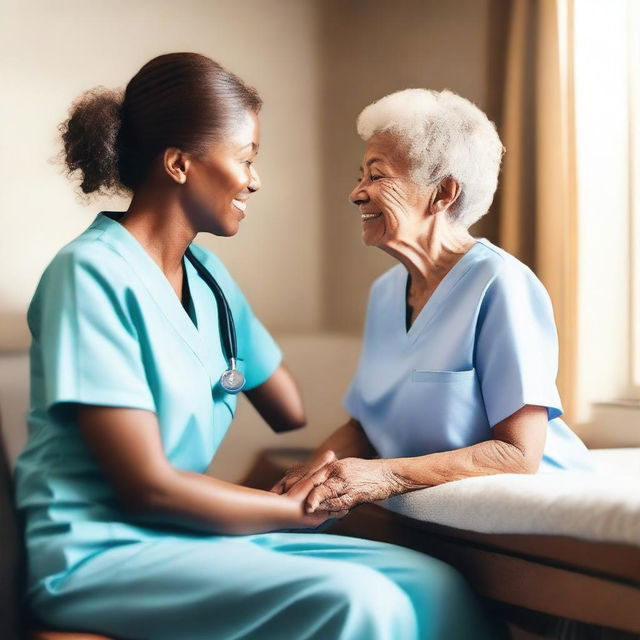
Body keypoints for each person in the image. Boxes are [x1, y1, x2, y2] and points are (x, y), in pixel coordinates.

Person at [14, 57, 502, 639]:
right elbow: (146, 488)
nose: (254, 180)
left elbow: (287, 409)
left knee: (435, 585)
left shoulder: (208, 278)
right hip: (102, 552)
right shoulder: (86, 276)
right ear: (178, 164)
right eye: (245, 158)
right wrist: (300, 509)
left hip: (187, 537)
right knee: (361, 602)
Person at [273, 88, 593, 516]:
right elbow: (364, 425)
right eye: (360, 176)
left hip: (535, 510)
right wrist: (303, 483)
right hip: (426, 515)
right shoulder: (386, 292)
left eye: (377, 175)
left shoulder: (501, 283)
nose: (356, 193)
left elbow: (519, 454)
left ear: (443, 193)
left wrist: (383, 475)